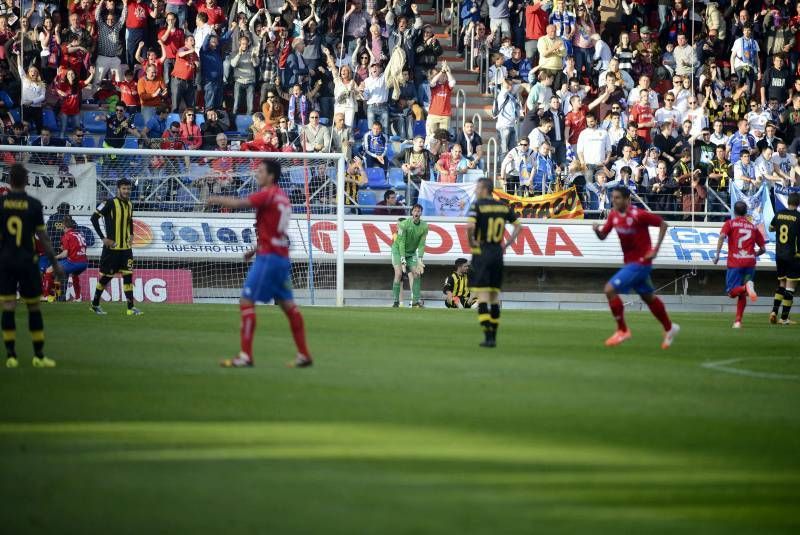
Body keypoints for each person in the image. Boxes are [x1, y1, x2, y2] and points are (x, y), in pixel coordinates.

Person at [206, 160, 312, 369]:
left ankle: (245, 356)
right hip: (280, 257)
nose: (257, 174)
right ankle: (304, 354)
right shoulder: (282, 196)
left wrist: (214, 198)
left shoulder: (268, 194)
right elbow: (274, 229)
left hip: (269, 259)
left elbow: (239, 204)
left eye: (261, 171)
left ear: (271, 176)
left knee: (246, 301)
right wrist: (255, 248)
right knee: (289, 307)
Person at [592, 187, 680, 348]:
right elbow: (603, 236)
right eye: (613, 197)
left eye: (618, 198)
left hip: (641, 263)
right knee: (648, 297)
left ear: (627, 199)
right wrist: (597, 230)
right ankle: (670, 327)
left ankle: (622, 330)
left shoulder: (638, 214)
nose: (614, 200)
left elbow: (663, 224)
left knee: (609, 289)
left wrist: (655, 250)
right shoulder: (613, 215)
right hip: (630, 262)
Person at [0, 164, 62, 368]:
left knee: (8, 306)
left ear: (10, 180)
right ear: (26, 181)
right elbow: (43, 238)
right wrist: (55, 263)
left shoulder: (2, 204)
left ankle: (11, 356)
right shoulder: (34, 204)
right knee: (34, 307)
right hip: (28, 262)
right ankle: (39, 355)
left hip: (6, 261)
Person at [466, 178, 522, 348]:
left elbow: (469, 228)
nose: (475, 190)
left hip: (481, 252)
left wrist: (472, 242)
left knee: (482, 295)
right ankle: (494, 336)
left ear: (484, 189)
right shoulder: (503, 206)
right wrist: (507, 244)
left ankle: (488, 336)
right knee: (494, 296)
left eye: (477, 187)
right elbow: (519, 226)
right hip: (497, 252)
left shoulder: (477, 206)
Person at [89, 179, 143, 316]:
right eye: (124, 188)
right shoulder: (109, 203)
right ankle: (95, 305)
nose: (126, 191)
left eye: (128, 189)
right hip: (112, 249)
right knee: (106, 277)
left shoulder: (130, 204)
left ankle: (131, 308)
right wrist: (103, 238)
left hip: (126, 249)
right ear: (118, 189)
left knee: (128, 277)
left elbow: (130, 220)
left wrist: (131, 234)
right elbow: (93, 218)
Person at [713, 201, 767, 328]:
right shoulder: (753, 227)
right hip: (750, 262)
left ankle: (746, 287)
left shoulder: (730, 223)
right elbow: (763, 249)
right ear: (746, 212)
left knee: (732, 292)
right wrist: (755, 254)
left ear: (734, 211)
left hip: (736, 262)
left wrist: (717, 255)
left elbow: (721, 237)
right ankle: (738, 321)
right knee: (742, 295)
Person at [768, 192, 800, 325]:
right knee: (790, 287)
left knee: (781, 284)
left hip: (779, 254)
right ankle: (784, 318)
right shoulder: (798, 217)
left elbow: (771, 228)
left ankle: (774, 311)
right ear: (798, 204)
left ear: (788, 202)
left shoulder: (779, 214)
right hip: (793, 255)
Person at [391, 204, 428, 308]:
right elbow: (401, 242)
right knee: (398, 274)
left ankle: (415, 301)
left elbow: (421, 244)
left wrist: (420, 259)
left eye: (419, 211)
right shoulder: (403, 224)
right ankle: (396, 301)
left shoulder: (425, 226)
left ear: (421, 213)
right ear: (412, 212)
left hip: (411, 253)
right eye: (415, 211)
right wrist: (402, 259)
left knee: (417, 274)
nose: (416, 213)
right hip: (398, 250)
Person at [51, 215, 88, 302]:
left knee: (56, 273)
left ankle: (56, 297)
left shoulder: (66, 236)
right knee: (75, 276)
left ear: (65, 226)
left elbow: (65, 254)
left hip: (74, 262)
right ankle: (78, 297)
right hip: (84, 262)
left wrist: (54, 257)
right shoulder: (79, 234)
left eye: (63, 227)